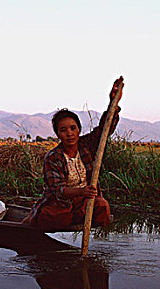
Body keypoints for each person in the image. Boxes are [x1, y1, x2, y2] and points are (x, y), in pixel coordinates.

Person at [24, 77, 123, 231]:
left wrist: (113, 103)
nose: (69, 134)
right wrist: (82, 191)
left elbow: (105, 128)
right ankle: (35, 218)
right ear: (58, 134)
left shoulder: (86, 146)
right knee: (56, 216)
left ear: (78, 129)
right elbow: (59, 190)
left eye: (73, 128)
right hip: (60, 204)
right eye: (63, 130)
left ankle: (77, 217)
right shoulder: (53, 157)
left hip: (83, 202)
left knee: (102, 207)